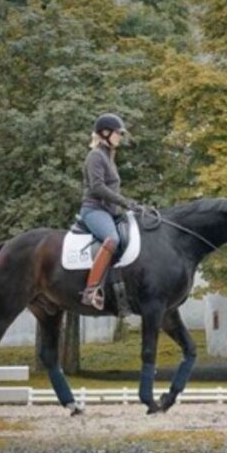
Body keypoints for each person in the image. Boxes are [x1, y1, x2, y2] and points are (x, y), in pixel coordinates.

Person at [80, 113, 136, 309]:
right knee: (112, 239)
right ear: (105, 133)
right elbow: (97, 187)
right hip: (94, 210)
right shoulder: (95, 156)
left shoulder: (108, 156)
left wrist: (129, 206)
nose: (120, 137)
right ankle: (91, 290)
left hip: (110, 211)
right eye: (118, 133)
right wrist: (125, 202)